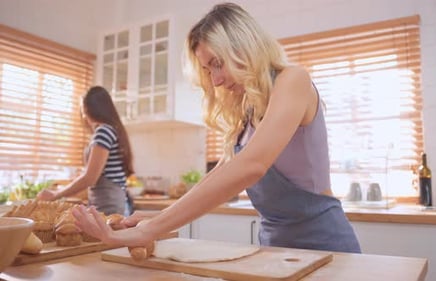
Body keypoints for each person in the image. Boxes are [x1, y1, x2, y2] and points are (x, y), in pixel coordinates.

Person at [73, 2, 361, 253]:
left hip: (324, 243)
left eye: (217, 64)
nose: (216, 80)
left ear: (244, 46)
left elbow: (252, 165)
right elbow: (218, 176)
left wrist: (149, 231)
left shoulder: (293, 80)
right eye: (208, 70)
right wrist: (155, 220)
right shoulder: (247, 111)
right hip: (274, 247)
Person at [38, 86, 135, 216]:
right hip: (112, 205)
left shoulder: (103, 131)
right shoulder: (112, 129)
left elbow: (90, 178)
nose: (83, 116)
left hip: (109, 208)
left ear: (88, 110)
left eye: (83, 111)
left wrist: (56, 194)